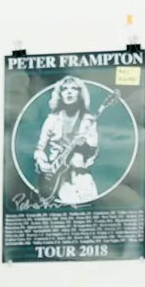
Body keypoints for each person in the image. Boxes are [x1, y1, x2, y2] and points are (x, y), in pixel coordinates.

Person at [31, 77, 100, 206]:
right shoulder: (52, 120)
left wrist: (85, 144)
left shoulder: (88, 120)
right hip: (57, 178)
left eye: (73, 88)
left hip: (81, 175)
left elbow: (94, 149)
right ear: (60, 94)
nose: (69, 92)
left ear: (80, 93)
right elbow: (39, 148)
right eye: (65, 89)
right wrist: (42, 163)